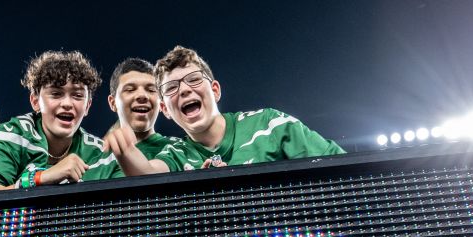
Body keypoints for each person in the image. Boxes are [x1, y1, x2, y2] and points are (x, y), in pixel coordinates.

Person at [130, 45, 345, 173]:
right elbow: (147, 172)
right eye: (171, 88)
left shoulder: (272, 125)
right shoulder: (176, 154)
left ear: (215, 90)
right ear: (165, 109)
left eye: (194, 80)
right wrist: (124, 149)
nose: (185, 89)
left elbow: (344, 171)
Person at [0, 50, 122, 190]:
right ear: (35, 101)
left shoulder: (102, 154)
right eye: (56, 94)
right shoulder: (13, 134)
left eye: (77, 95)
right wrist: (41, 178)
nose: (67, 104)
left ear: (88, 106)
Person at [100, 57, 184, 165]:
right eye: (130, 90)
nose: (142, 95)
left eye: (151, 90)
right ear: (113, 103)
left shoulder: (181, 149)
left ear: (160, 102)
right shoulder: (92, 159)